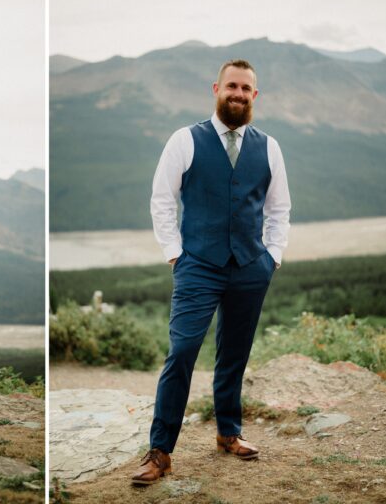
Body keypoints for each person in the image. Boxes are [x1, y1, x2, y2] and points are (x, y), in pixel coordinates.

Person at [133, 59, 292, 485]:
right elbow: (162, 199)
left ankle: (228, 432)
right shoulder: (185, 140)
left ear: (254, 96)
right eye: (231, 86)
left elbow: (279, 209)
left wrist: (271, 256)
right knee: (181, 352)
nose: (238, 94)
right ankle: (161, 451)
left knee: (234, 354)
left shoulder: (269, 146)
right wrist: (175, 254)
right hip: (198, 266)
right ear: (216, 88)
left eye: (246, 89)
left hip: (250, 267)